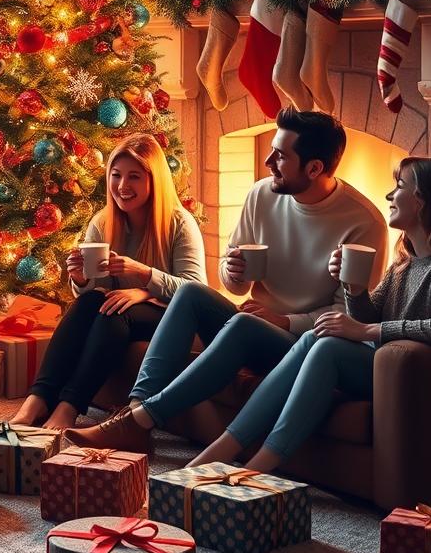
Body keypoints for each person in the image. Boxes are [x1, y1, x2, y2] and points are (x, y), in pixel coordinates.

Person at [66, 109, 388, 453]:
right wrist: (232, 273)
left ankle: (139, 420)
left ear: (314, 168)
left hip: (299, 343)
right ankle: (134, 415)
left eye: (280, 156)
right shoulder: (262, 194)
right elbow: (234, 286)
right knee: (190, 293)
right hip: (253, 319)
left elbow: (349, 317)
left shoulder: (363, 222)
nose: (268, 161)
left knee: (243, 324)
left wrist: (285, 321)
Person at [190, 158, 431, 471]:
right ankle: (226, 446)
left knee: (329, 347)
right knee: (312, 337)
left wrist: (367, 332)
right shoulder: (406, 261)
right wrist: (353, 287)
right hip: (383, 365)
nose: (388, 196)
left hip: (410, 376)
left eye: (399, 187)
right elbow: (369, 314)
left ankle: (258, 467)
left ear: (425, 201)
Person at [10, 133, 206, 430]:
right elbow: (97, 291)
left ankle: (68, 407)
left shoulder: (180, 223)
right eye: (116, 176)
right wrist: (81, 279)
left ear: (154, 181)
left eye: (135, 177)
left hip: (175, 317)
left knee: (116, 312)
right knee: (93, 301)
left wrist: (144, 281)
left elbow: (196, 291)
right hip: (122, 309)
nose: (123, 187)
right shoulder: (103, 221)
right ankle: (38, 399)